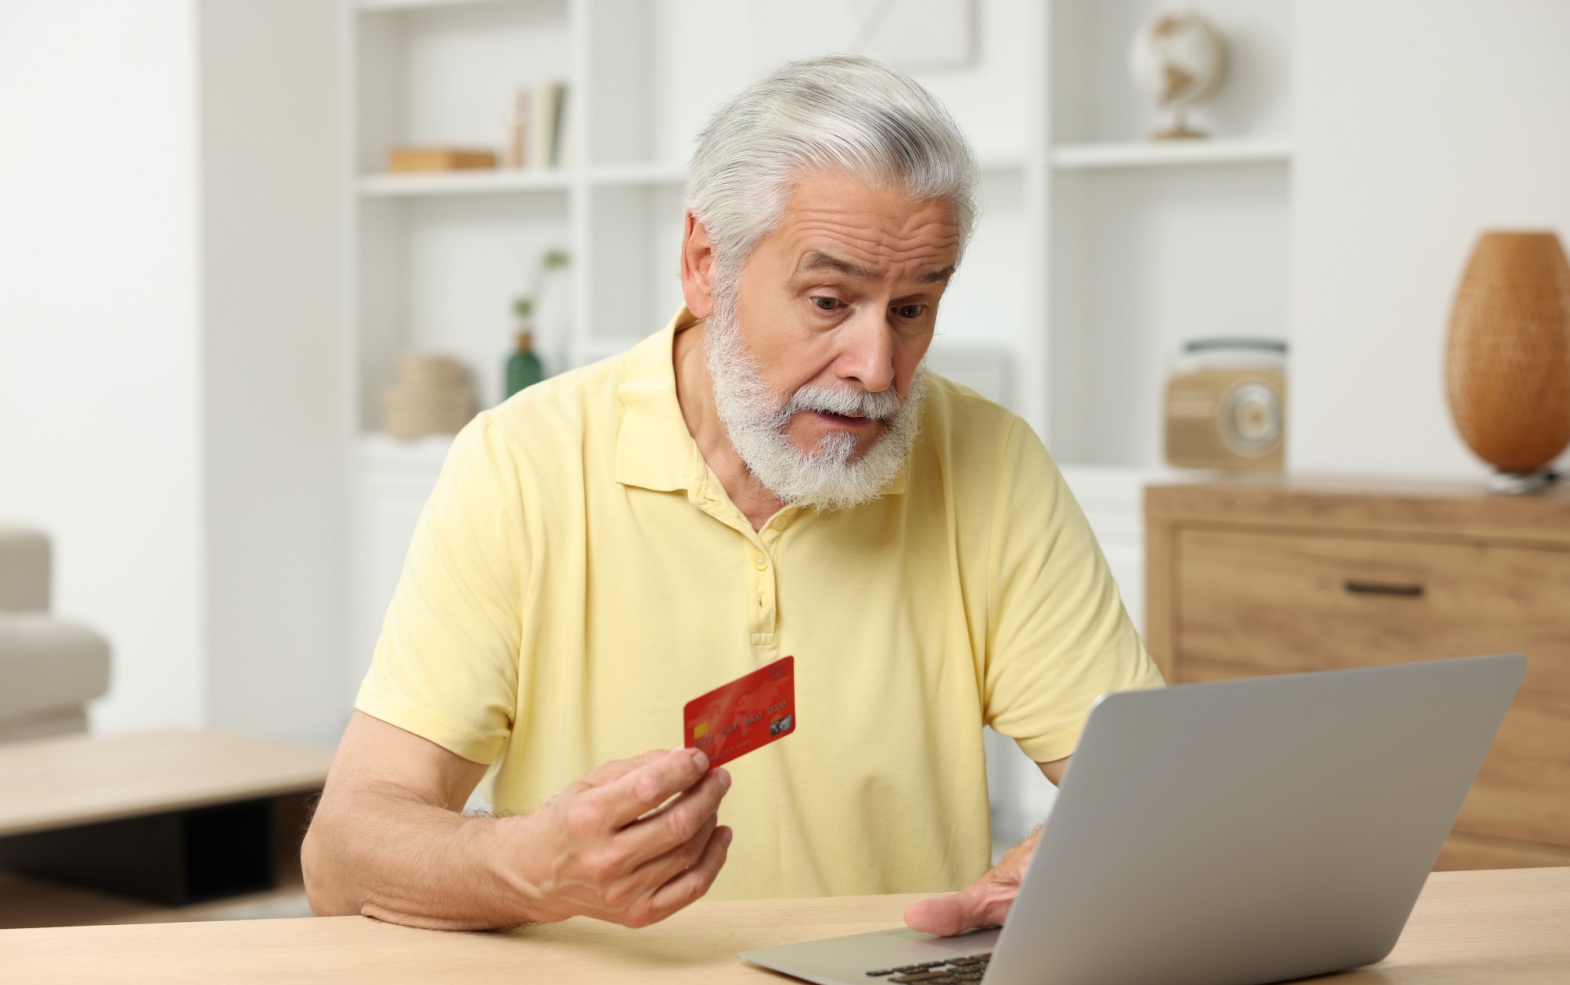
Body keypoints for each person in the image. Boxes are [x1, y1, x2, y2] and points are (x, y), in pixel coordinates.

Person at [302, 55, 1161, 936]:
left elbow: (1149, 783)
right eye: (830, 301)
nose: (877, 367)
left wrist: (1063, 863)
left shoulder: (993, 463)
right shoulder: (522, 463)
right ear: (706, 265)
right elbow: (341, 855)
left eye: (912, 309)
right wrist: (530, 869)